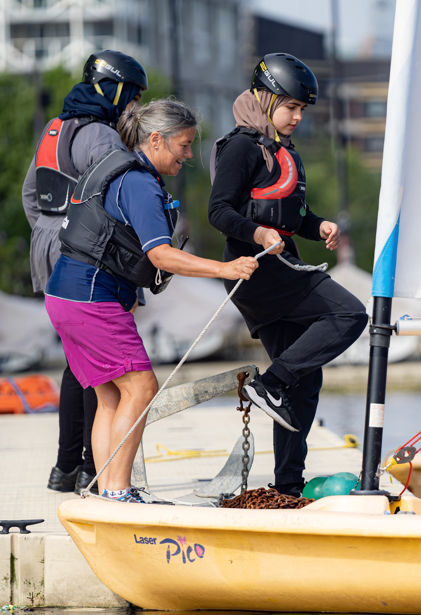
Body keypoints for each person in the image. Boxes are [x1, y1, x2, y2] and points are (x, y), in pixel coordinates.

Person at [44, 99, 258, 503]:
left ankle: (108, 491)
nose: (189, 155)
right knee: (141, 388)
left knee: (110, 395)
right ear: (156, 140)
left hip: (65, 297)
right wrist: (225, 269)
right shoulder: (139, 183)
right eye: (184, 144)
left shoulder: (119, 171)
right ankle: (120, 492)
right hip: (91, 299)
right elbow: (160, 254)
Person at [208, 53, 368, 497]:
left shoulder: (280, 148)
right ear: (265, 98)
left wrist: (317, 226)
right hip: (259, 274)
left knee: (305, 380)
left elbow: (286, 212)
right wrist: (257, 232)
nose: (298, 117)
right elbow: (218, 211)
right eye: (291, 107)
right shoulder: (242, 146)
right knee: (351, 314)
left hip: (279, 266)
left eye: (302, 110)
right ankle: (270, 383)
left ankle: (287, 487)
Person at [22, 50, 147, 494]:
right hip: (84, 249)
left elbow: (30, 193)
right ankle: (91, 468)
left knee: (79, 359)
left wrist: (47, 233)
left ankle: (67, 467)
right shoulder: (101, 136)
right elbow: (115, 202)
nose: (133, 106)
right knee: (95, 368)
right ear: (116, 91)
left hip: (47, 240)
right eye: (132, 96)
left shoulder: (54, 128)